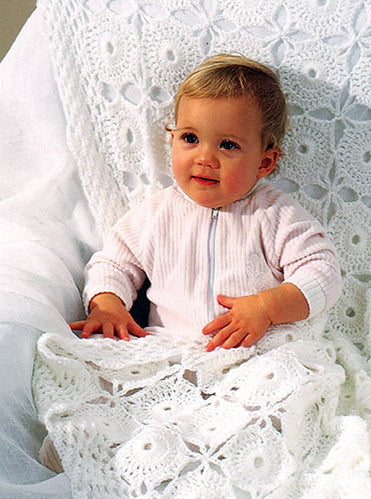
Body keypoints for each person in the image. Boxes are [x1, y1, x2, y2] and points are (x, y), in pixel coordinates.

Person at [69, 53, 342, 354]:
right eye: (190, 138)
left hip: (256, 351)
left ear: (264, 162)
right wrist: (108, 304)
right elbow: (112, 263)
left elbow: (323, 272)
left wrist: (267, 306)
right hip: (169, 347)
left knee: (292, 374)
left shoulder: (276, 216)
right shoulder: (157, 214)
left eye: (228, 145)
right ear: (172, 139)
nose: (205, 158)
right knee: (97, 362)